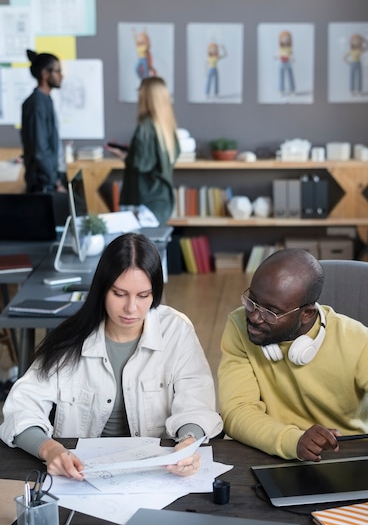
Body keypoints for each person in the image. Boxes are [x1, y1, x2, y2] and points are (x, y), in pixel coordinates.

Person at [0, 233, 222, 479]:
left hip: (158, 473)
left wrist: (188, 443)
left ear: (155, 294)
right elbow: (21, 408)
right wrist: (50, 449)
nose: (131, 308)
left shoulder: (177, 331)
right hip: (82, 474)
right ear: (102, 290)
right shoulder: (70, 337)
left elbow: (197, 401)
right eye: (119, 294)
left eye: (143, 295)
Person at [218, 248, 368, 462]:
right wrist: (294, 441)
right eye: (252, 301)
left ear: (307, 314)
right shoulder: (240, 325)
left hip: (355, 459)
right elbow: (237, 411)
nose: (255, 317)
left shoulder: (358, 342)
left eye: (271, 312)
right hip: (273, 455)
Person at [106, 77, 179, 227]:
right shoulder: (167, 128)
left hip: (143, 203)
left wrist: (124, 156)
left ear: (146, 97)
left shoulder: (145, 126)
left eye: (140, 92)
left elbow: (141, 163)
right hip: (162, 202)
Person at [21, 49, 67, 194]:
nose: (61, 76)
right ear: (45, 74)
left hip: (49, 179)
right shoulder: (36, 104)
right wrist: (55, 181)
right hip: (43, 184)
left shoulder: (45, 100)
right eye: (58, 71)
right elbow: (40, 150)